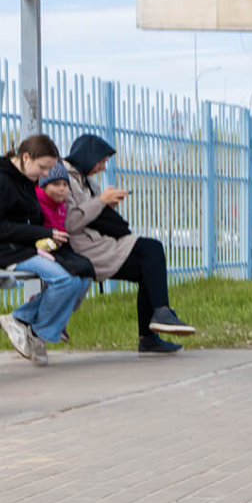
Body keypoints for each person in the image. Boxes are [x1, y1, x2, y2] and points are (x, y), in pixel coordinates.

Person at [62, 135, 198, 354]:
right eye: (101, 161)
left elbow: (94, 213)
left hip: (98, 243)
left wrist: (107, 203)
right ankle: (160, 314)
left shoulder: (83, 179)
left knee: (149, 265)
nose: (102, 167)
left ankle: (149, 337)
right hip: (85, 248)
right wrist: (101, 201)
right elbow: (70, 222)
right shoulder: (65, 178)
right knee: (151, 249)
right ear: (88, 156)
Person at [0, 135, 92, 366]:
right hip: (0, 250)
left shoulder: (24, 179)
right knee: (65, 280)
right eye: (43, 167)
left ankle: (23, 319)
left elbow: (32, 218)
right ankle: (37, 332)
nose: (46, 174)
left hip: (24, 245)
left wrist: (45, 239)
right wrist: (39, 236)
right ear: (26, 157)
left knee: (82, 275)